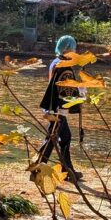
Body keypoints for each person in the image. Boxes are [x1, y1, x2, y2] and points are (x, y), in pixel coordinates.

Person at [36, 35, 83, 181]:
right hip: (58, 108)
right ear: (67, 49)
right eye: (73, 48)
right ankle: (38, 169)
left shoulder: (55, 62)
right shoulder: (63, 65)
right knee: (52, 139)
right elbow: (64, 90)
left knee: (65, 137)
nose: (75, 51)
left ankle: (67, 170)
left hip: (54, 106)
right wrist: (80, 92)